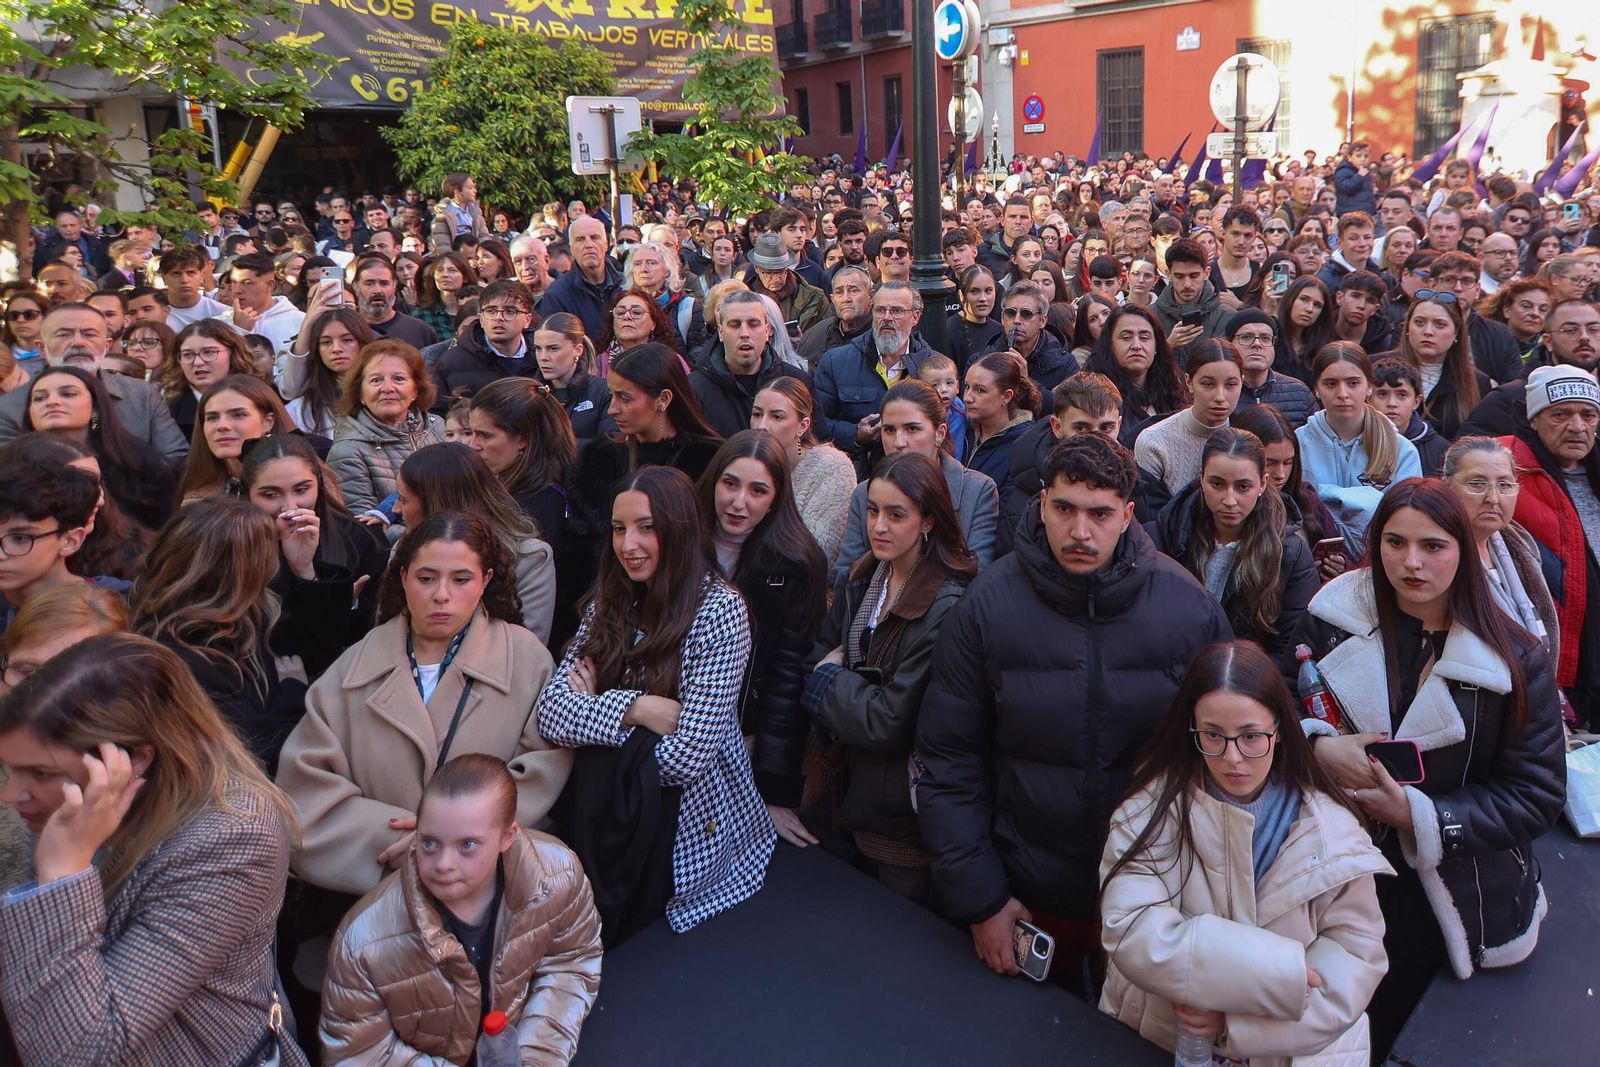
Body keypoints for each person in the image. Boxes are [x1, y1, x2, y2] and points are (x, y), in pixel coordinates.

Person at [915, 434, 1231, 991]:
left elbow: (1223, 760)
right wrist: (981, 898)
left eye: (1100, 514)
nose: (1080, 532)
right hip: (1030, 898)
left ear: (1129, 514)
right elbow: (948, 761)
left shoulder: (1187, 608)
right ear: (1042, 505)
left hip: (1156, 898)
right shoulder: (987, 607)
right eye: (1064, 509)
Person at [1291, 480, 1565, 1058]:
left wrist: (1422, 816)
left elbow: (1535, 794)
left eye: (1432, 546)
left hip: (1450, 892)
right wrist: (1314, 748)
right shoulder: (1329, 619)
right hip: (1335, 873)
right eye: (1395, 542)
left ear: (1463, 549)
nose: (1411, 563)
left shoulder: (1517, 660)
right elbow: (1284, 708)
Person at [0, 634, 304, 1066]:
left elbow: (82, 1052)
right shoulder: (79, 804)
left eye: (39, 772)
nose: (12, 794)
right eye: (11, 769)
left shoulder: (233, 834)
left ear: (134, 758)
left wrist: (62, 873)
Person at [1098, 641, 1390, 1065]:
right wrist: (1280, 975)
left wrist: (1233, 1021)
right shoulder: (1152, 810)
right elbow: (1129, 927)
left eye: (1251, 737)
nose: (1232, 758)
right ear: (1191, 728)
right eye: (1212, 735)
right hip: (1162, 1037)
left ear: (1281, 728)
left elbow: (1356, 959)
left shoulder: (1333, 830)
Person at [276, 512, 571, 897]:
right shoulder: (353, 667)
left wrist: (446, 842)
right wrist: (399, 840)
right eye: (426, 578)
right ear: (403, 577)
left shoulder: (528, 662)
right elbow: (305, 792)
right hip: (377, 900)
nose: (441, 595)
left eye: (461, 579)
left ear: (486, 581)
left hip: (493, 895)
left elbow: (539, 773)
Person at [537, 466, 775, 936]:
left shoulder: (720, 610)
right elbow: (550, 713)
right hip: (606, 807)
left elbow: (685, 759)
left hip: (685, 819)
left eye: (647, 528)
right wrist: (634, 709)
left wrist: (593, 722)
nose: (629, 545)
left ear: (679, 530)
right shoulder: (614, 594)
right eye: (620, 528)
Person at [319, 753, 602, 1066]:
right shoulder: (362, 941)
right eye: (429, 843)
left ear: (507, 837)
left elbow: (571, 961)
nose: (443, 865)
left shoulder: (558, 875)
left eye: (467, 845)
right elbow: (360, 1054)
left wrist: (534, 1057)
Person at [803, 451, 973, 903]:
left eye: (896, 515)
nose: (878, 526)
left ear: (929, 521)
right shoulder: (866, 575)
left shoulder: (946, 602)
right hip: (848, 795)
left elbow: (889, 720)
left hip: (903, 817)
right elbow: (818, 653)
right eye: (874, 510)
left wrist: (828, 682)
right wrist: (828, 675)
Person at [129, 495, 360, 774]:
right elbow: (256, 755)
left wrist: (303, 568)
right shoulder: (191, 662)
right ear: (241, 574)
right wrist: (292, 695)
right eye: (268, 553)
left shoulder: (225, 619)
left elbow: (311, 648)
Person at [697, 431, 827, 844]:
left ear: (777, 497)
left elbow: (787, 677)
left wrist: (773, 789)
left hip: (741, 736)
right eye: (730, 484)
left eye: (757, 490)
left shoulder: (795, 562)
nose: (739, 503)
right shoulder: (683, 541)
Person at [1148, 427, 1318, 656]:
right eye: (1217, 484)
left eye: (1242, 487)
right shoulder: (1160, 538)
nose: (1229, 500)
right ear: (1201, 478)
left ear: (1263, 484)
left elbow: (1290, 649)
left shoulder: (1289, 552)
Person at [1500, 365, 1600, 728]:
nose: (1577, 426)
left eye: (1588, 414)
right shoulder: (1503, 470)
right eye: (1561, 414)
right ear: (1535, 420)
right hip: (1544, 668)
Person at [832, 380, 999, 582]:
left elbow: (976, 580)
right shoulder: (864, 494)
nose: (898, 443)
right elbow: (845, 576)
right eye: (889, 430)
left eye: (912, 429)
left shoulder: (977, 491)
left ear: (940, 433)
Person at [395, 443, 557, 645]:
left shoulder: (530, 558)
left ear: (435, 503)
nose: (395, 509)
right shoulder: (404, 550)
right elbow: (389, 634)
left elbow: (529, 651)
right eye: (426, 578)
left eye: (403, 499)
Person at [240, 432, 387, 641]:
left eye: (301, 489)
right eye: (270, 495)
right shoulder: (233, 545)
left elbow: (369, 633)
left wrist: (309, 576)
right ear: (249, 493)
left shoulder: (360, 539)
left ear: (318, 483)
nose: (290, 507)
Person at [0, 303, 188, 461]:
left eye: (89, 334)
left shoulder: (141, 394)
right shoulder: (10, 408)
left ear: (106, 346)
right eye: (63, 334)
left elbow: (175, 456)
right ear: (41, 348)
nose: (78, 343)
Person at [1297, 343, 1423, 553]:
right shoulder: (1298, 444)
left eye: (1353, 383)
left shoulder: (1402, 449)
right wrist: (1367, 497)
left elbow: (1409, 519)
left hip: (1379, 562)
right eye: (1331, 384)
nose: (1343, 393)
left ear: (1369, 387)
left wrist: (1319, 493)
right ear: (1316, 389)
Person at [1442, 437, 1559, 661]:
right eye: (1477, 483)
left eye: (1504, 485)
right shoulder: (1435, 553)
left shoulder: (1521, 545)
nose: (1493, 498)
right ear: (1447, 486)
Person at [23, 364, 176, 531]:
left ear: (95, 408)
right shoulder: (12, 467)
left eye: (68, 394)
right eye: (39, 398)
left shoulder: (142, 467)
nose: (52, 402)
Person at [813, 281, 935, 474]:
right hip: (858, 474)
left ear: (915, 317)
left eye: (896, 311)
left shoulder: (933, 367)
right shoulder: (835, 362)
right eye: (880, 310)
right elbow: (816, 423)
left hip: (918, 475)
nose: (886, 318)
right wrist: (855, 434)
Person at [327, 339, 446, 513]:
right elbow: (364, 528)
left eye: (399, 379)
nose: (388, 388)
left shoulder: (438, 427)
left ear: (415, 391)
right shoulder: (347, 452)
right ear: (360, 393)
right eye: (376, 380)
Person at [750, 376, 857, 564]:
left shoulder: (831, 469)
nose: (762, 426)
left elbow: (817, 553)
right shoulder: (745, 463)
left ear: (803, 425)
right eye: (757, 414)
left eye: (777, 416)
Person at [689, 290, 811, 438]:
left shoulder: (797, 381)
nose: (744, 333)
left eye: (753, 324)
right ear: (721, 332)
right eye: (734, 325)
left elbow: (816, 443)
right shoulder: (694, 388)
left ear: (767, 332)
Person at [1134, 339, 1245, 495]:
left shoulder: (1252, 435)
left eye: (1230, 385)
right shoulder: (1154, 442)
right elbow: (1152, 513)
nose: (1220, 396)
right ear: (1189, 382)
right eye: (1208, 384)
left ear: (1242, 382)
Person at [175, 374, 299, 502]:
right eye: (212, 417)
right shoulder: (184, 479)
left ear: (268, 422)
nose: (222, 426)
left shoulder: (304, 475)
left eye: (238, 415)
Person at [1084, 305, 1189, 448]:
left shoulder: (1172, 389)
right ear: (1110, 345)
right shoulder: (1092, 394)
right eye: (1126, 337)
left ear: (1157, 347)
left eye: (1144, 337)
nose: (1137, 345)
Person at [1389, 290, 1484, 441]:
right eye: (1419, 322)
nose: (1428, 332)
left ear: (1456, 333)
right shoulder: (1375, 368)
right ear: (1407, 327)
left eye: (1439, 325)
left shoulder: (1477, 382)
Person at [430, 279, 541, 407]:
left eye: (510, 311)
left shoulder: (542, 358)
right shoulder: (450, 362)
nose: (499, 317)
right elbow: (437, 414)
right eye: (491, 311)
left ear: (527, 320)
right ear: (481, 319)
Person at [282, 308, 373, 438]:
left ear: (362, 342)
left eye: (347, 340)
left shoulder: (383, 394)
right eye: (326, 342)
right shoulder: (301, 410)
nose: (336, 349)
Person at [162, 318, 258, 440]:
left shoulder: (259, 394)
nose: (197, 362)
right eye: (188, 355)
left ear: (232, 353)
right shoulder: (165, 406)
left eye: (208, 352)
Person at [527, 311, 613, 444]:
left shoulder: (603, 392)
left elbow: (610, 447)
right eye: (538, 348)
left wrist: (553, 446)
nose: (543, 357)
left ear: (578, 350)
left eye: (553, 348)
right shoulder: (527, 393)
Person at [988, 281, 1075, 412]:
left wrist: (1026, 381)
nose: (1016, 320)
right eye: (1010, 313)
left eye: (1026, 314)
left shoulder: (1065, 365)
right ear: (1002, 318)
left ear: (1043, 321)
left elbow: (1065, 414)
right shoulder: (984, 358)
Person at [962, 351, 1041, 495]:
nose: (967, 398)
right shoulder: (960, 427)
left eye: (980, 390)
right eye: (967, 386)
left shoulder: (1025, 446)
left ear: (1006, 396)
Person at [537, 217, 622, 344]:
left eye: (594, 237)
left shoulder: (626, 284)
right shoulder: (557, 295)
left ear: (606, 244)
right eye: (580, 239)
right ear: (571, 248)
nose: (588, 245)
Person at [1226, 308, 1314, 428]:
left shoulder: (1300, 394)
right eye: (1246, 337)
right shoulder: (1219, 392)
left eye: (1265, 338)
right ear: (1230, 344)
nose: (1257, 344)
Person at [1372, 357, 1449, 476]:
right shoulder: (1353, 441)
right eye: (1382, 394)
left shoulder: (1440, 450)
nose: (1392, 403)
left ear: (1417, 401)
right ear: (1368, 399)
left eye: (1402, 395)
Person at [797, 264, 874, 371]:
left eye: (853, 290)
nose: (846, 299)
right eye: (839, 292)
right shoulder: (813, 336)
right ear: (832, 300)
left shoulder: (881, 337)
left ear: (871, 296)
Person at [350, 255, 437, 350]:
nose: (378, 290)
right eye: (369, 283)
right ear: (355, 286)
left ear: (394, 285)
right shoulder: (347, 330)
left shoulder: (420, 330)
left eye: (384, 283)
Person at [1275, 277, 1336, 385]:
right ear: (1290, 298)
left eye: (1317, 305)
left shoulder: (1321, 348)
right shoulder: (1270, 336)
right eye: (1304, 299)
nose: (1310, 309)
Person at [411, 251, 480, 339]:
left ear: (465, 277)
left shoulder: (478, 311)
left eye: (452, 270)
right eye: (439, 270)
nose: (445, 275)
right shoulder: (421, 316)